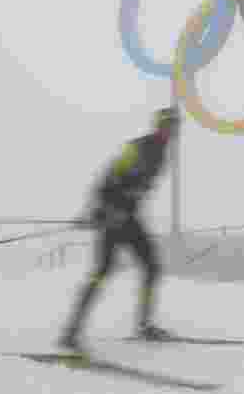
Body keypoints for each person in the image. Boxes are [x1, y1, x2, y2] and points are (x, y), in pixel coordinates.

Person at [59, 106, 181, 352]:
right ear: (158, 125)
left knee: (152, 267)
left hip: (129, 217)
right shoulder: (137, 147)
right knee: (101, 272)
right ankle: (71, 331)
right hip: (112, 217)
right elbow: (107, 176)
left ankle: (144, 325)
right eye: (168, 125)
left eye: (175, 126)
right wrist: (97, 211)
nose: (171, 130)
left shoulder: (162, 155)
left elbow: (138, 189)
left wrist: (125, 207)